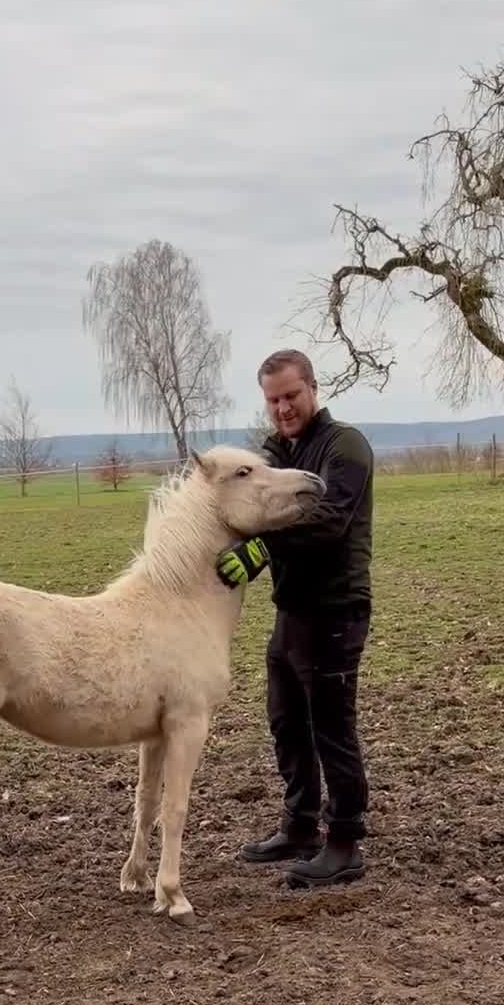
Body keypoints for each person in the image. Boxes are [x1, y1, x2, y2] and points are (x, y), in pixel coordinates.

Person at [215, 349, 374, 888]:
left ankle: (345, 842)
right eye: (273, 400)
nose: (283, 408)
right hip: (291, 611)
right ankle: (300, 825)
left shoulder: (344, 446)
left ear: (312, 388)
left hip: (336, 610)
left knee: (332, 728)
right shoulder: (276, 454)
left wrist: (261, 550)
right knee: (286, 722)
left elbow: (329, 520)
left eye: (291, 395)